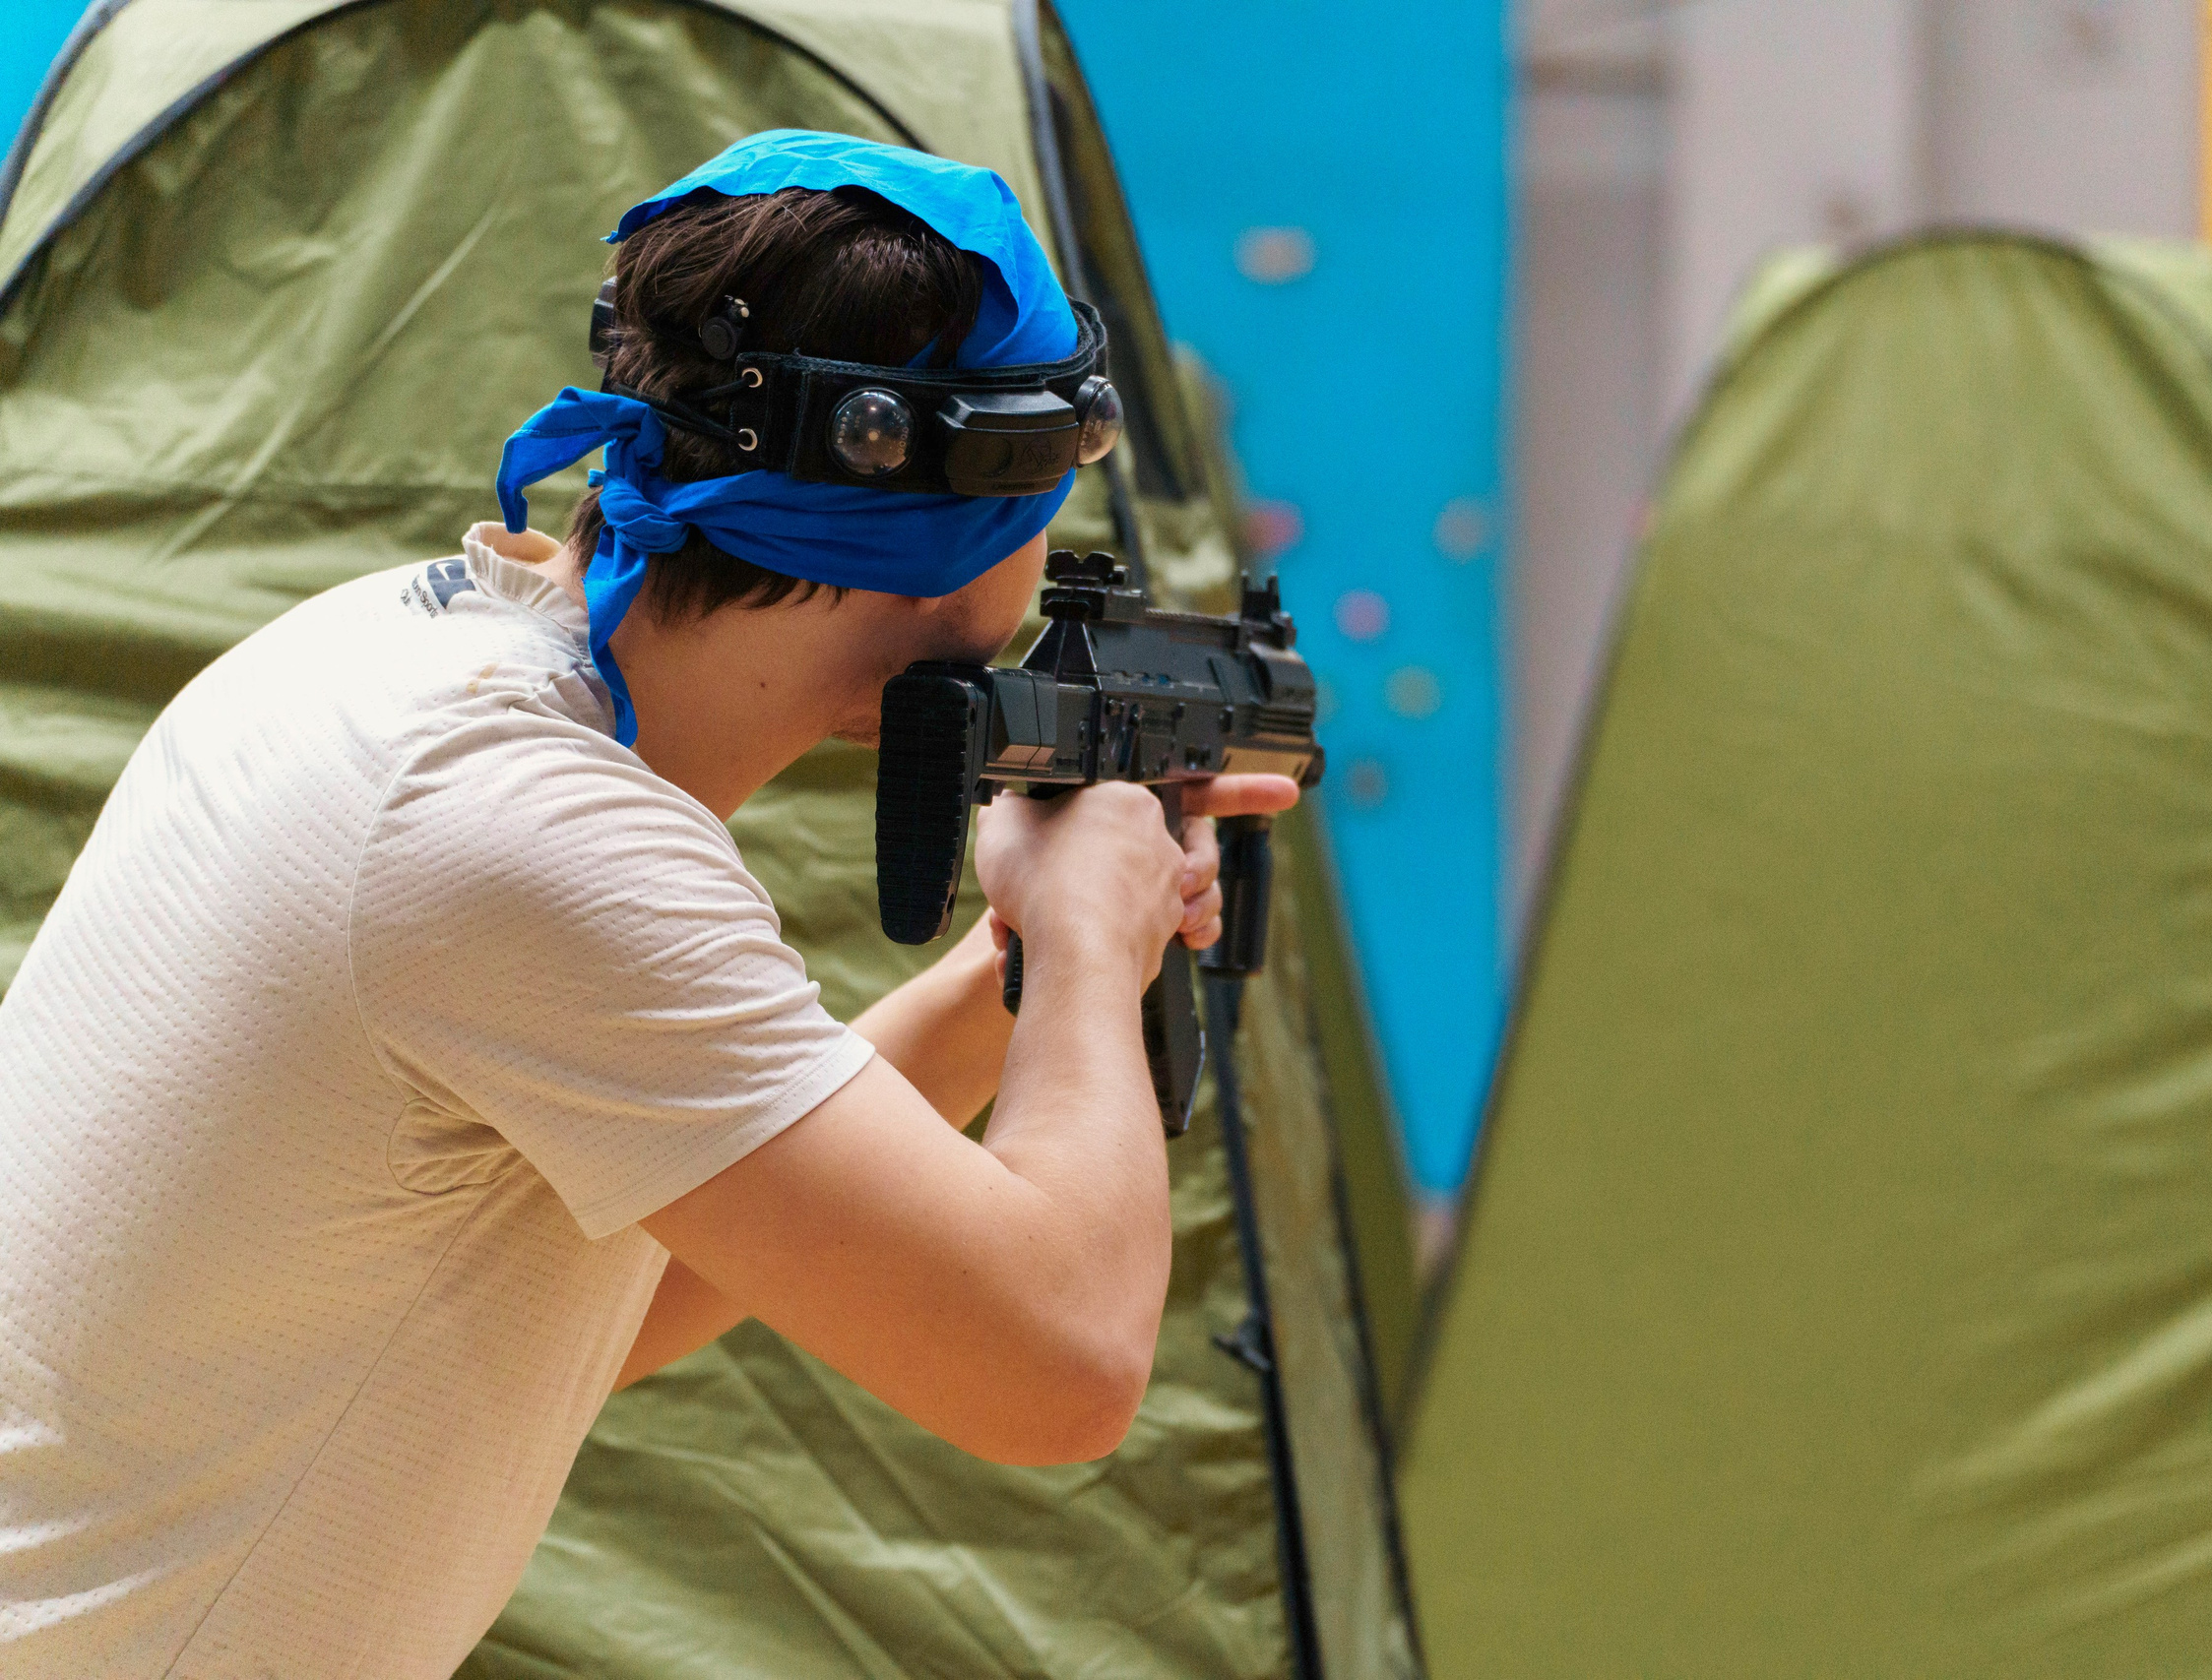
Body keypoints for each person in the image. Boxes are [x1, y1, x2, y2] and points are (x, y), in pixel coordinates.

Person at [0, 132, 1298, 1676]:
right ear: (993, 507)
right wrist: (1096, 944)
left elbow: (632, 1285)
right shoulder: (528, 838)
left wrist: (1006, 970)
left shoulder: (388, 655)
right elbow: (1063, 1372)